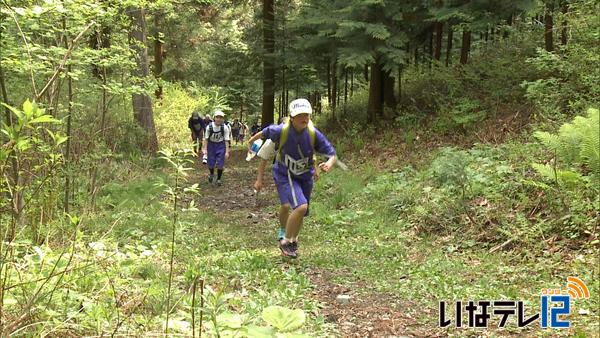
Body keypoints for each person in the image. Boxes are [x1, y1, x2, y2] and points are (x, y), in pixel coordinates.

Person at [248, 98, 337, 258]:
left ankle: (294, 240)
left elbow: (331, 153)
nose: (304, 118)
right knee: (299, 206)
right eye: (300, 115)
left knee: (302, 211)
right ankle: (286, 241)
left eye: (307, 115)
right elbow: (265, 132)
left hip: (305, 176)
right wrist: (251, 141)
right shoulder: (281, 131)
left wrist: (328, 164)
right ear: (291, 117)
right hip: (286, 174)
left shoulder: (312, 133)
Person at [202, 110, 231, 186]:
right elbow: (206, 139)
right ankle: (211, 174)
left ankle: (218, 179)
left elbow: (226, 140)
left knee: (220, 163)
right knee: (210, 163)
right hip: (211, 145)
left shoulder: (225, 128)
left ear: (223, 119)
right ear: (214, 118)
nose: (219, 119)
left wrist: (227, 151)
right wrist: (205, 149)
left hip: (221, 145)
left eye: (221, 117)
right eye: (217, 117)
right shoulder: (209, 127)